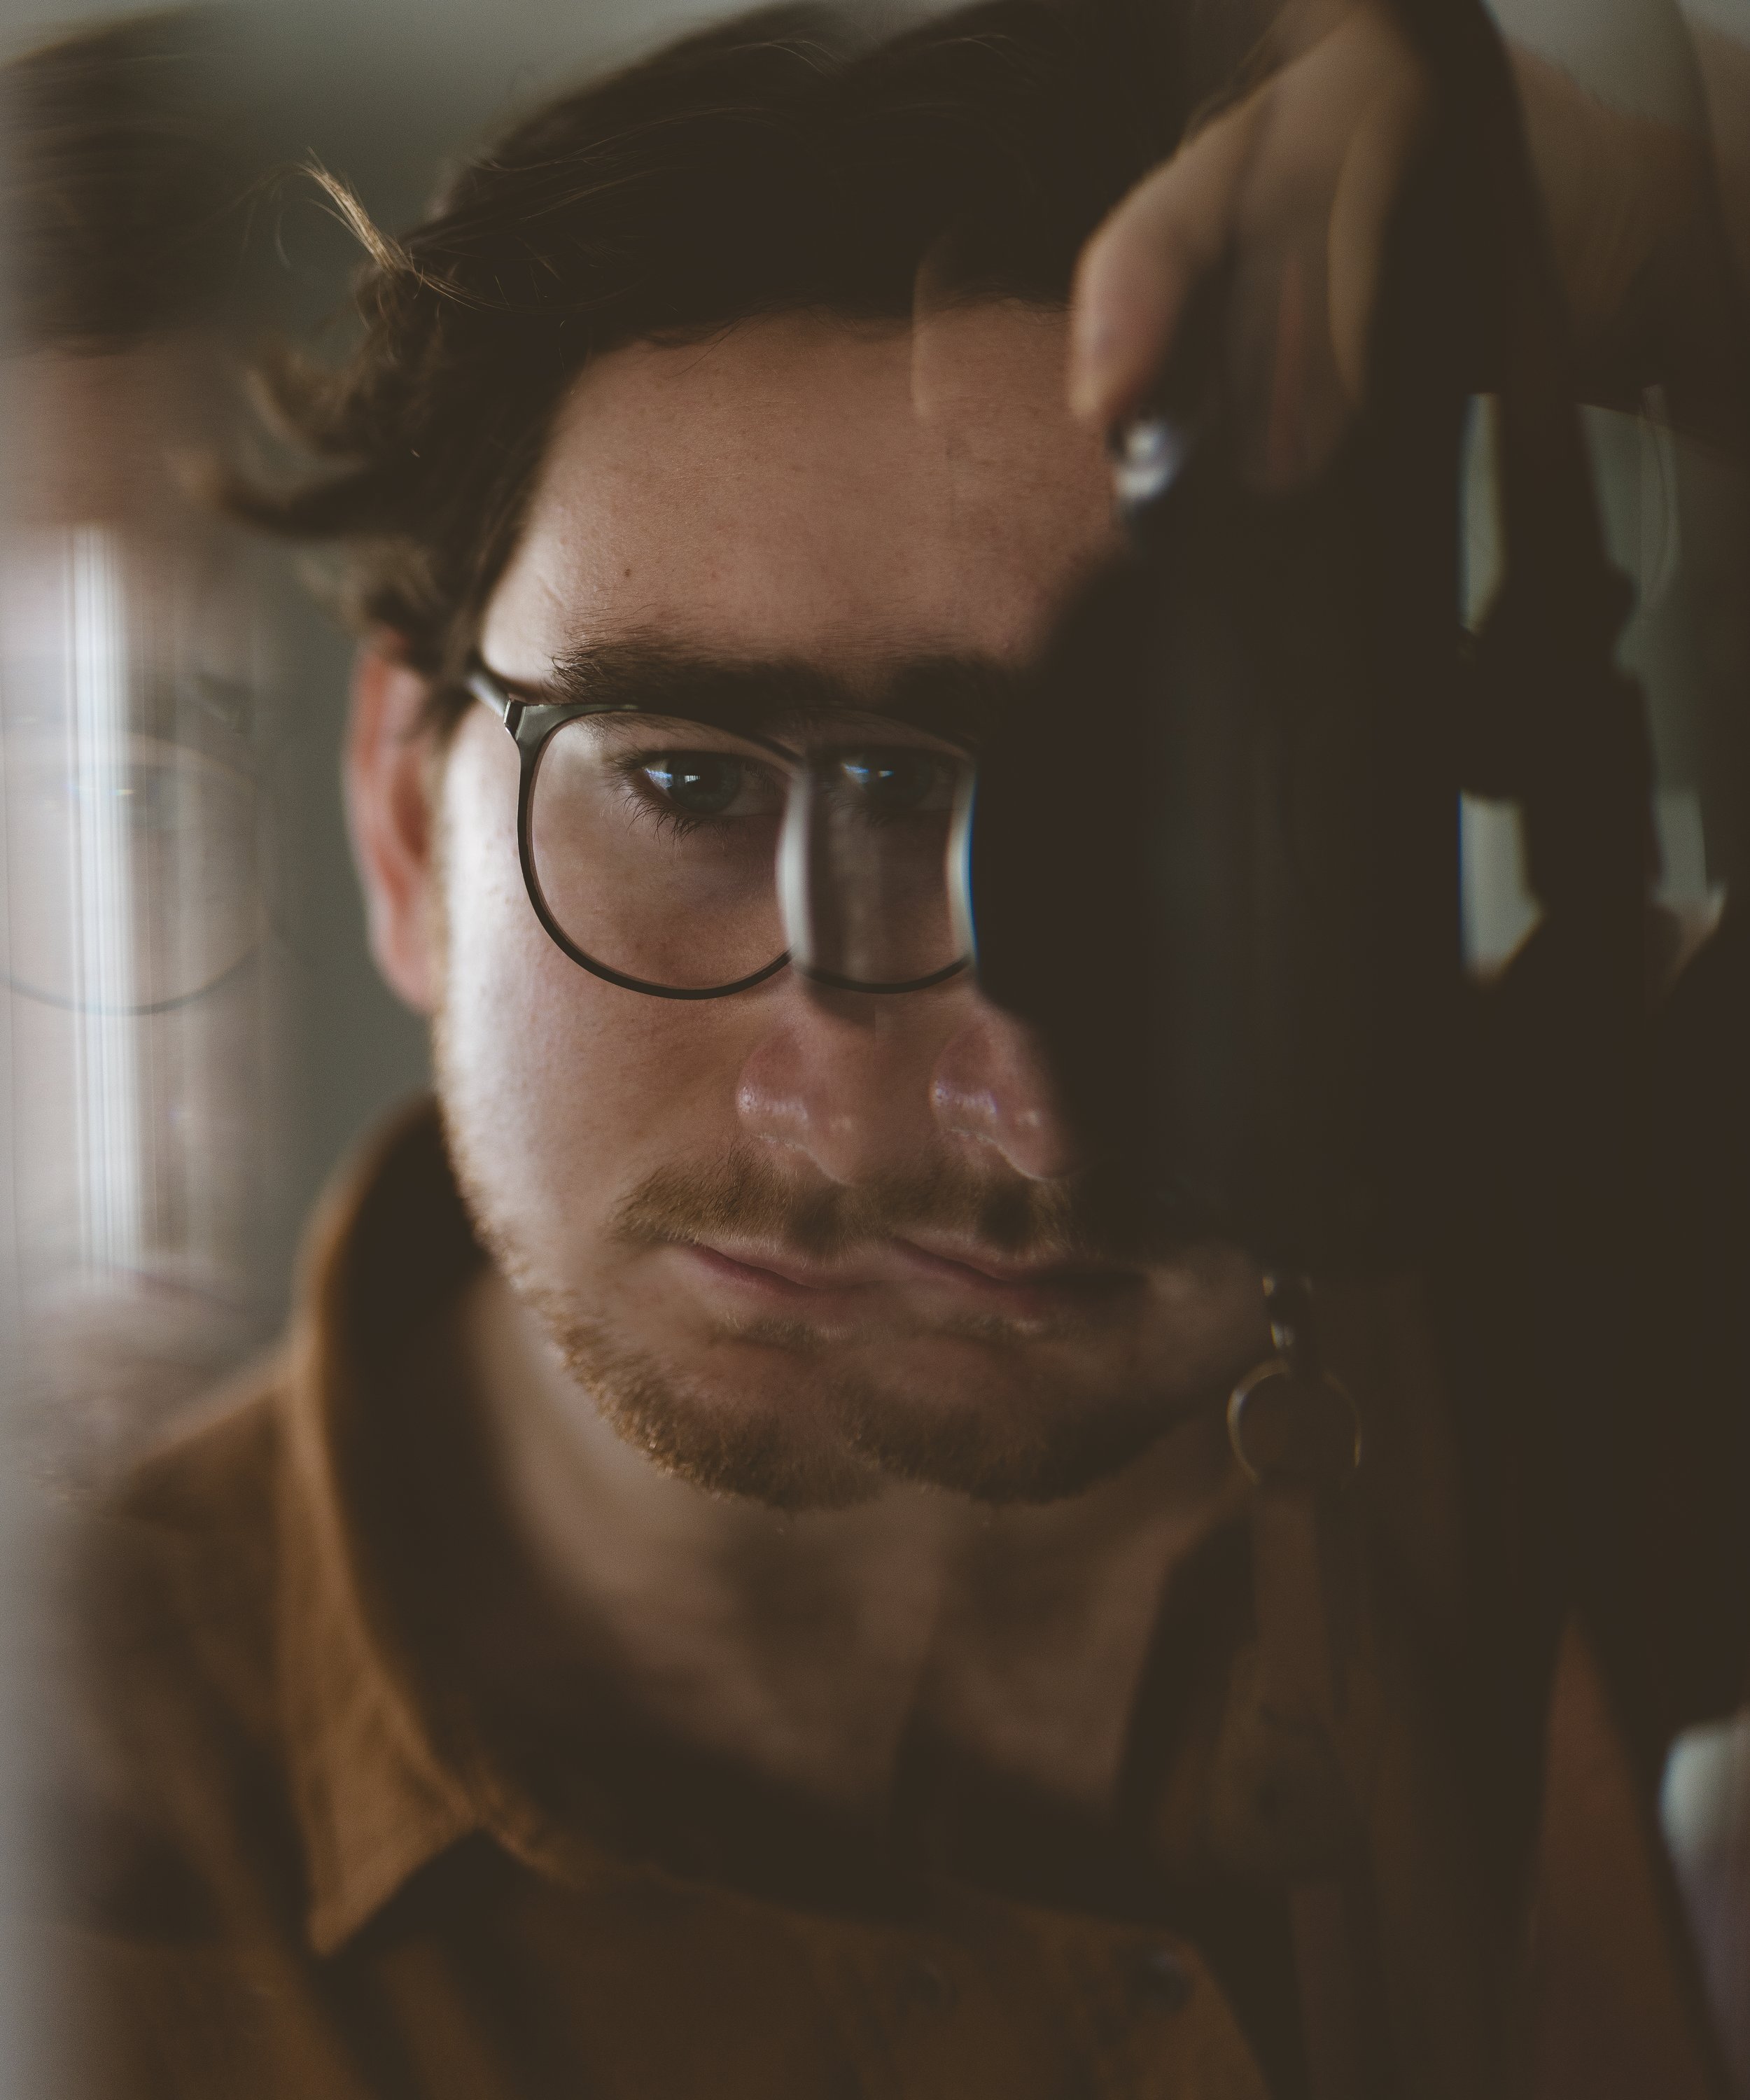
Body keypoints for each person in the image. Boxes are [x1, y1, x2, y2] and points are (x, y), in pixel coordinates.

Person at [34, 1, 1750, 2094]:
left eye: (1154, 836)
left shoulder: (1599, 1364)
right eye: (695, 791)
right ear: (405, 811)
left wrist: (1690, 233)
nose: (1012, 1108)